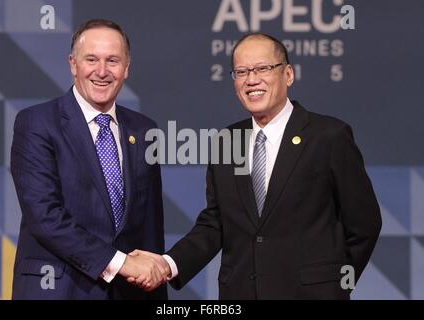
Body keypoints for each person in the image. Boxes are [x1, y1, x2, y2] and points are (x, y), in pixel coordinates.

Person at [132, 33, 382, 299]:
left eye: (262, 68)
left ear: (288, 74)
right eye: (241, 72)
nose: (252, 80)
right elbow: (215, 223)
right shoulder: (227, 141)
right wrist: (168, 264)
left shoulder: (328, 136)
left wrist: (333, 284)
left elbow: (364, 224)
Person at [10, 19, 167, 299]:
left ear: (127, 68)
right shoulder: (37, 123)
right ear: (73, 64)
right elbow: (45, 217)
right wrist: (121, 263)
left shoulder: (144, 130)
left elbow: (150, 230)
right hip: (60, 289)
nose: (102, 71)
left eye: (113, 61)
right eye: (91, 59)